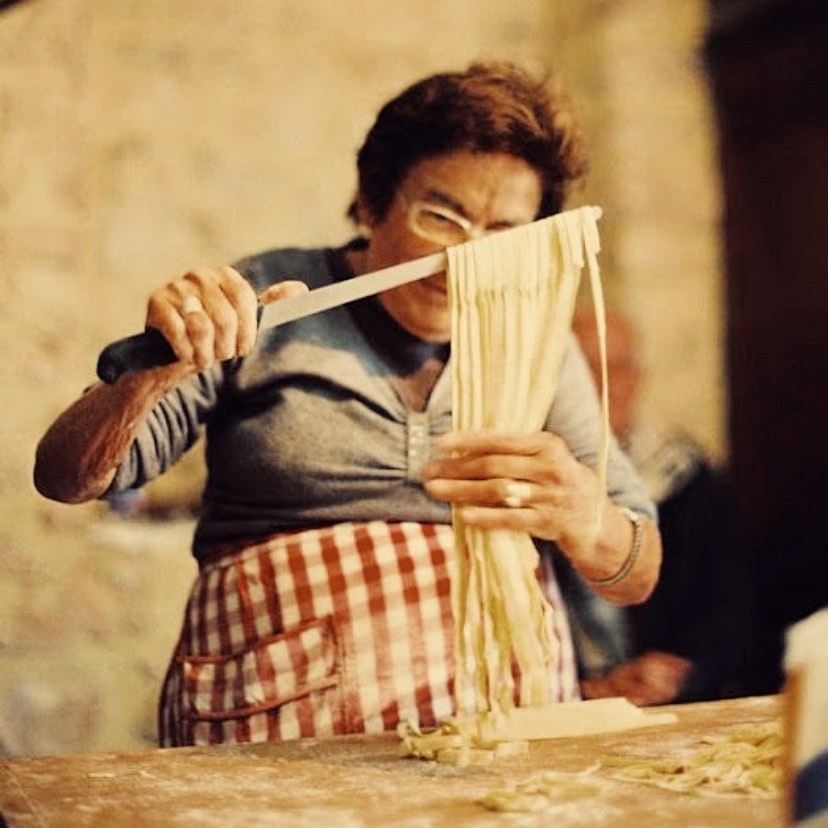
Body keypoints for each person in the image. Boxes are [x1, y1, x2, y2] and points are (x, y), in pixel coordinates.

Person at [34, 61, 662, 747]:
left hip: (499, 732)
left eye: (505, 235)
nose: (467, 260)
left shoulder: (539, 342)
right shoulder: (268, 296)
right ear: (370, 202)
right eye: (441, 216)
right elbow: (67, 478)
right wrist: (152, 373)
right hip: (271, 722)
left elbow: (637, 570)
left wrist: (583, 515)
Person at [558, 309, 751, 705]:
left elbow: (731, 606)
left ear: (638, 378)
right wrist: (583, 688)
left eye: (620, 368)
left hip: (668, 701)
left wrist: (682, 671)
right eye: (588, 369)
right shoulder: (532, 479)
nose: (605, 386)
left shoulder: (683, 472)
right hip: (560, 701)